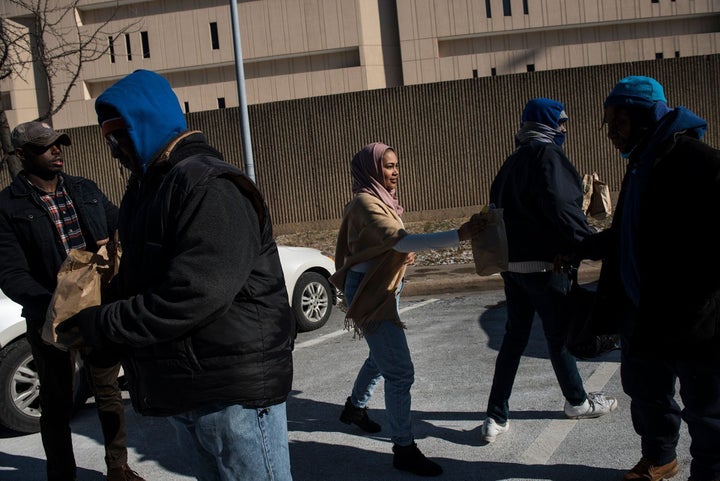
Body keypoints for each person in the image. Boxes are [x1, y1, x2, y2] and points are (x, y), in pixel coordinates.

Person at [54, 69, 296, 481]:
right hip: (187, 388)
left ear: (145, 124)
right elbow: (140, 278)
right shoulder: (146, 188)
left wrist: (106, 325)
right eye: (107, 139)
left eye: (118, 137)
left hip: (232, 396)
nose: (113, 151)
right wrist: (102, 334)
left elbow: (196, 293)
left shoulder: (209, 184)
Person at [567, 76, 720, 481]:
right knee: (647, 394)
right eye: (608, 124)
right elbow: (631, 232)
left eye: (618, 122)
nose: (612, 133)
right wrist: (585, 246)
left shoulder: (699, 161)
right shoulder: (641, 162)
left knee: (707, 409)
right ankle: (660, 458)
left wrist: (699, 303)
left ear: (646, 117)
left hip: (692, 319)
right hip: (642, 312)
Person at [330, 142, 486, 477]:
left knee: (381, 356)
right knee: (400, 372)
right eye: (387, 166)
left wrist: (399, 253)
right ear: (372, 169)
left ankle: (354, 409)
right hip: (372, 292)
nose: (395, 171)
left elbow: (387, 245)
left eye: (396, 165)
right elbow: (398, 240)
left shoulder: (380, 200)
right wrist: (459, 234)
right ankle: (404, 448)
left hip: (385, 285)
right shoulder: (364, 202)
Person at [0, 121, 145, 481]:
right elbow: (10, 272)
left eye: (58, 144)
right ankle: (61, 475)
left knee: (108, 391)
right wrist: (51, 303)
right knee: (56, 402)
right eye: (44, 147)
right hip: (50, 316)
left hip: (97, 308)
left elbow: (120, 225)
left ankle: (118, 468)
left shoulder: (84, 189)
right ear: (21, 155)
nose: (56, 151)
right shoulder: (7, 206)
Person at [479, 98, 618, 444]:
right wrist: (590, 244)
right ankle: (577, 401)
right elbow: (561, 206)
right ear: (547, 124)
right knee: (560, 337)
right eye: (561, 123)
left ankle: (495, 416)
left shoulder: (510, 163)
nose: (564, 130)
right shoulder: (549, 157)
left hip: (513, 269)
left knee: (514, 338)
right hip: (547, 266)